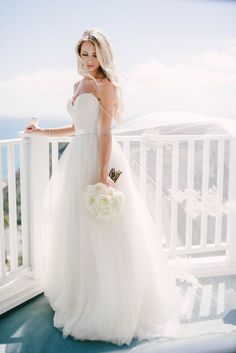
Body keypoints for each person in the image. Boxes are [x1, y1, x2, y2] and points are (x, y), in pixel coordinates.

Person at [24, 29, 236, 348]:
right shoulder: (78, 84)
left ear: (103, 55)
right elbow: (79, 127)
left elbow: (105, 132)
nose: (89, 59)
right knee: (78, 229)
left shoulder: (106, 85)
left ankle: (109, 303)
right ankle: (84, 292)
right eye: (84, 54)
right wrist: (43, 132)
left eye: (94, 54)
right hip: (77, 157)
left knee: (104, 232)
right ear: (78, 55)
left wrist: (101, 174)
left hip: (97, 158)